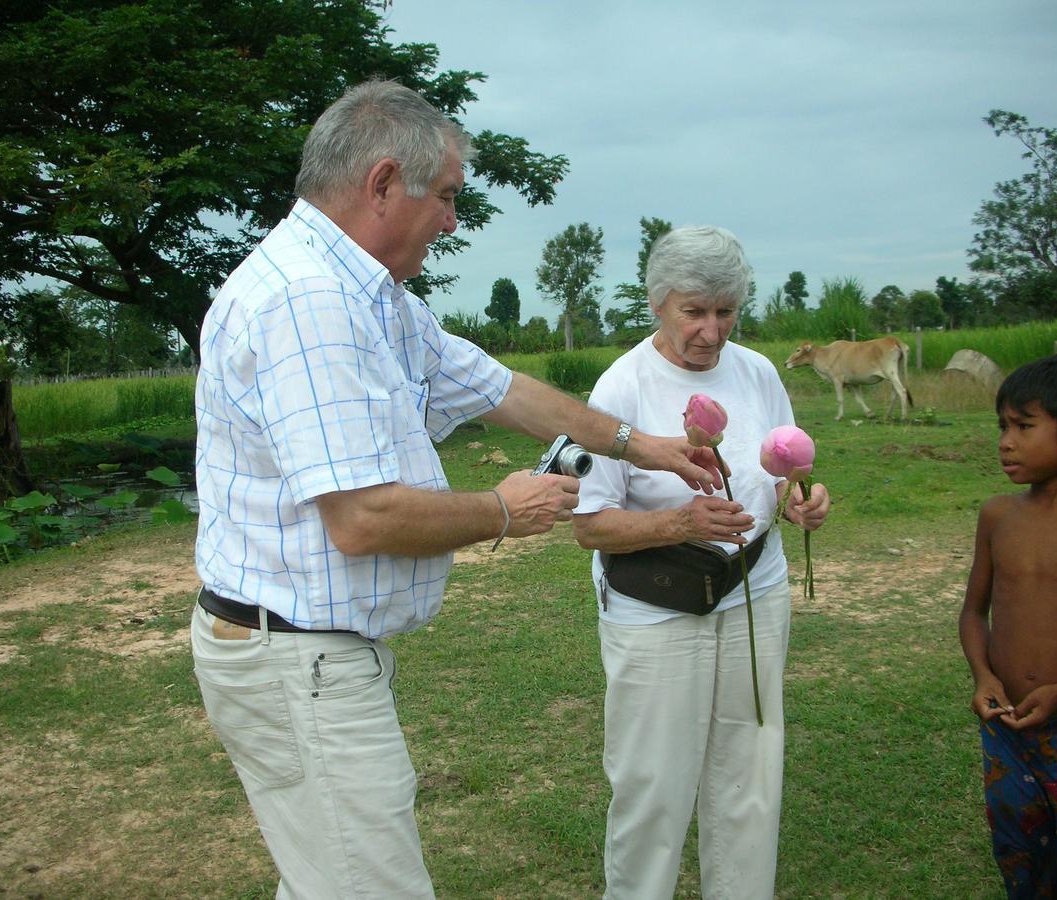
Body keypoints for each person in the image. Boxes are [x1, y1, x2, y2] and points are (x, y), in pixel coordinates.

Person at [190, 79, 723, 899]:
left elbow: (502, 388)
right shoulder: (311, 302)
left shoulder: (374, 298)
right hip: (299, 660)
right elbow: (363, 519)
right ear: (380, 184)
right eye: (444, 197)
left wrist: (641, 445)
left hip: (310, 655)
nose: (451, 220)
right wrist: (505, 510)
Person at [573, 225, 831, 900]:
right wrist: (677, 521)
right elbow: (590, 526)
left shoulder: (758, 373)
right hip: (655, 610)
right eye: (695, 311)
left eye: (725, 311)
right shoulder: (621, 388)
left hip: (755, 593)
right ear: (657, 303)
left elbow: (778, 467)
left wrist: (797, 498)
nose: (711, 332)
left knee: (750, 772)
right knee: (653, 785)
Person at [958, 353, 1057, 899]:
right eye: (1002, 427)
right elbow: (972, 612)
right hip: (1006, 729)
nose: (1006, 441)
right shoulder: (998, 516)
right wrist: (983, 677)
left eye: (1024, 427)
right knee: (1020, 859)